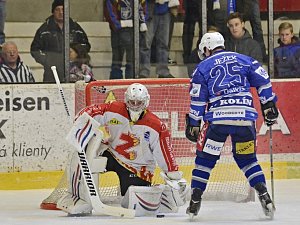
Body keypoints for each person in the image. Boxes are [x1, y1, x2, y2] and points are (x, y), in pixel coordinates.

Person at [57, 83, 188, 216]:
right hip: (113, 155)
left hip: (138, 168)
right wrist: (80, 121)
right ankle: (82, 200)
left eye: (139, 102)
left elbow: (164, 153)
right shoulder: (114, 109)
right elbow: (93, 111)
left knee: (130, 205)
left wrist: (173, 174)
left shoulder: (156, 126)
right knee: (85, 158)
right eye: (132, 102)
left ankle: (161, 194)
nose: (135, 106)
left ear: (146, 102)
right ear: (126, 100)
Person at [185, 32, 278, 219]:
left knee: (205, 159)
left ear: (207, 48)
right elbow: (264, 80)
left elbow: (198, 101)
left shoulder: (202, 67)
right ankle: (264, 194)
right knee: (248, 160)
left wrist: (194, 123)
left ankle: (195, 200)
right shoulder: (245, 59)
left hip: (218, 120)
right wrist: (268, 104)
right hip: (245, 119)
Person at [30, 0, 91, 83]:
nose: (61, 12)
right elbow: (35, 50)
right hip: (52, 72)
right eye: (57, 9)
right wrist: (48, 61)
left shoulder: (75, 27)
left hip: (75, 71)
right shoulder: (44, 29)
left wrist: (77, 56)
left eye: (63, 9)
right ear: (53, 12)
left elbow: (85, 45)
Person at [104, 0, 147, 79]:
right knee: (117, 58)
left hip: (133, 30)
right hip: (118, 31)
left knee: (131, 59)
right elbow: (109, 10)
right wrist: (118, 24)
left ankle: (131, 80)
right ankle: (115, 81)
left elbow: (143, 9)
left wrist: (142, 23)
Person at [139, 0, 179, 78]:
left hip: (165, 11)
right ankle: (144, 71)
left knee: (163, 44)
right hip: (148, 11)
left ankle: (163, 71)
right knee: (146, 44)